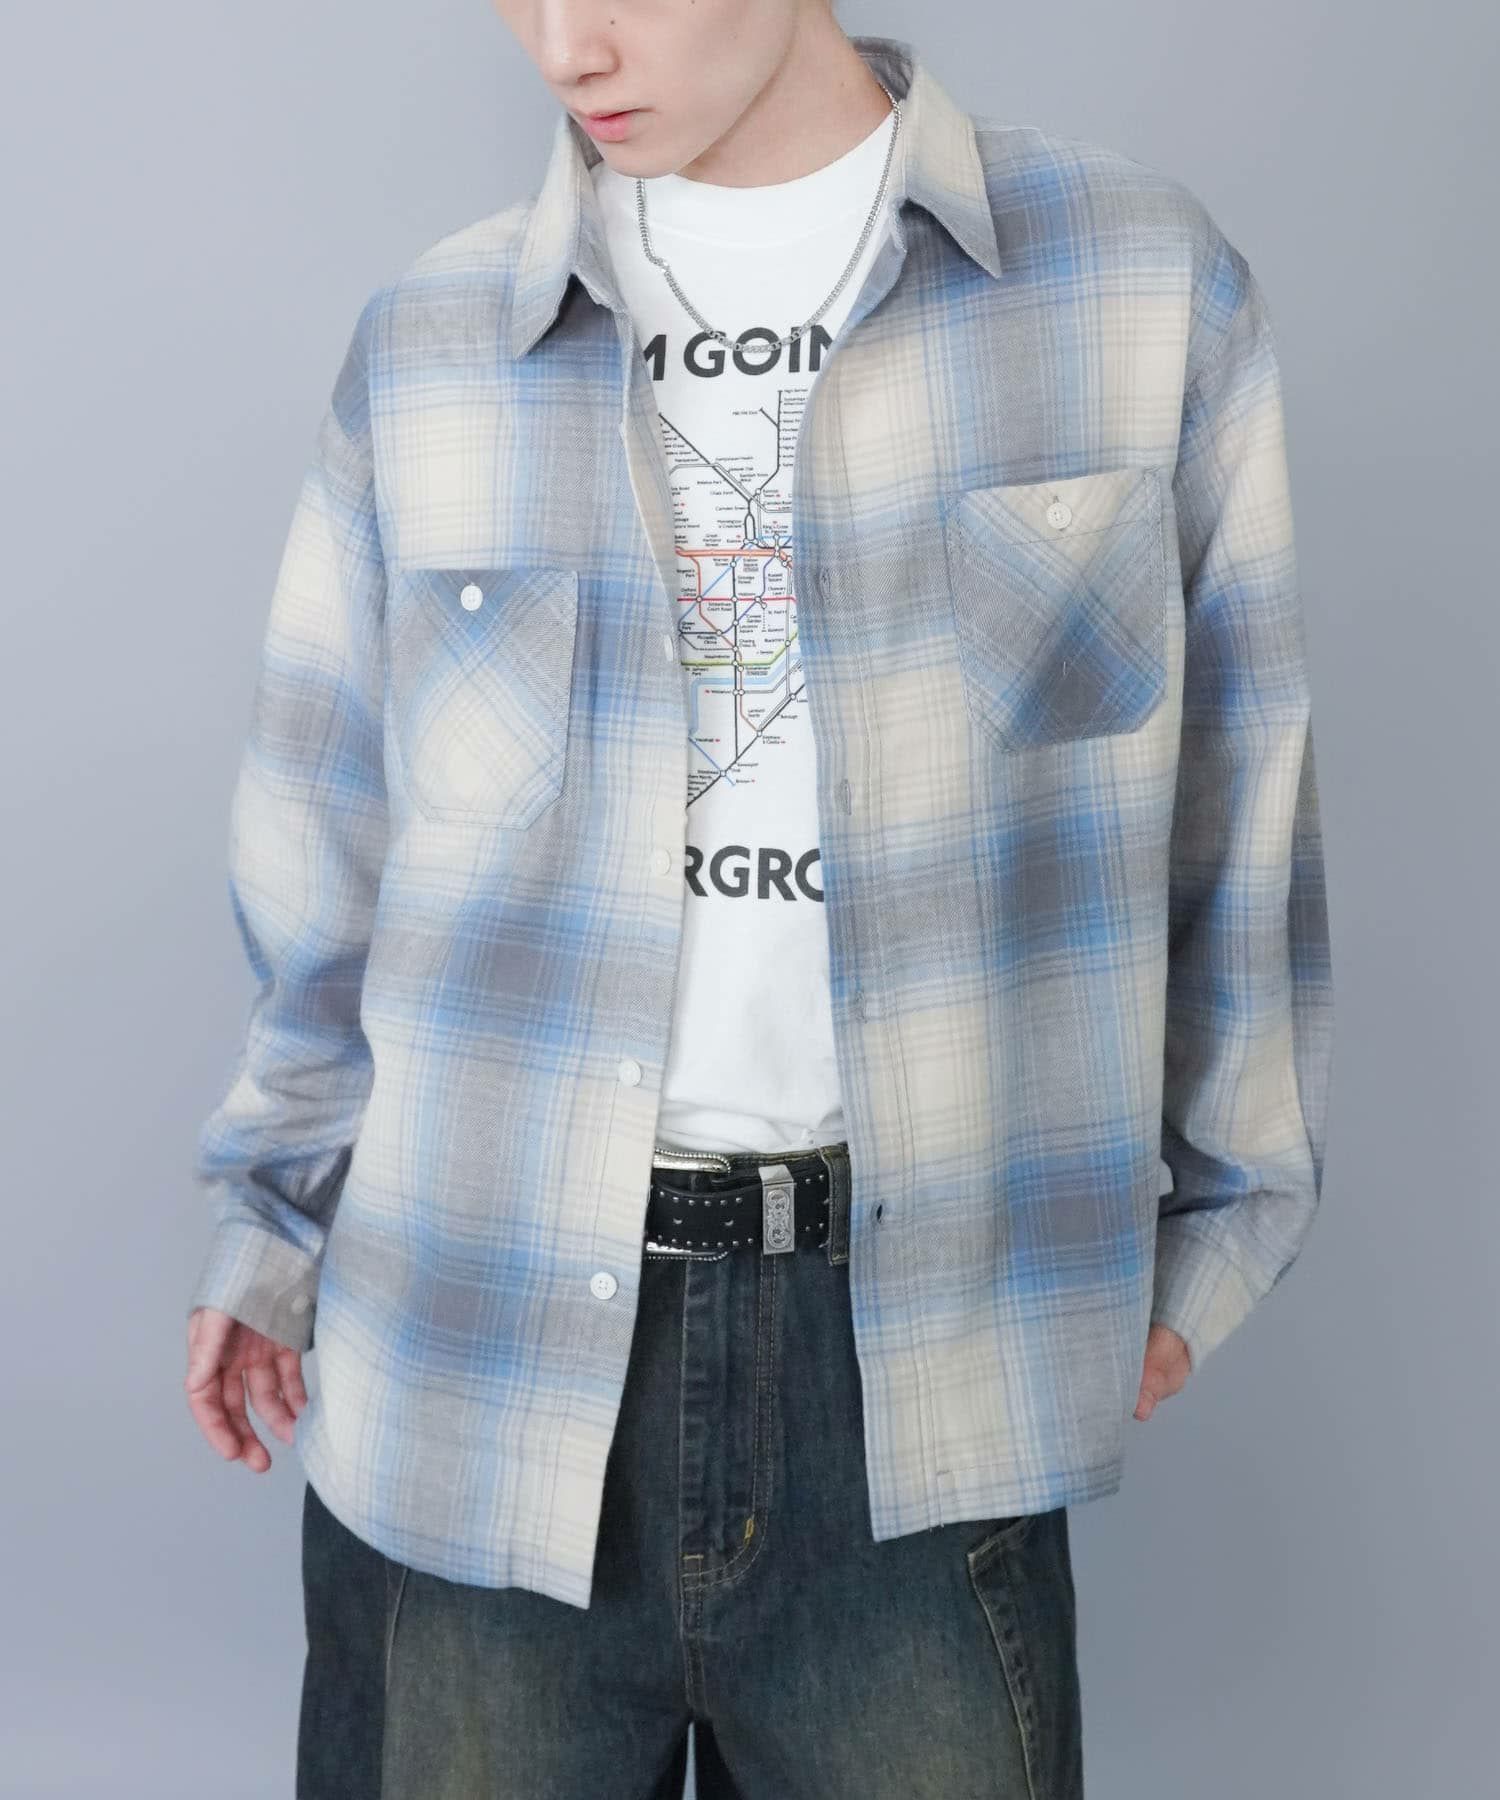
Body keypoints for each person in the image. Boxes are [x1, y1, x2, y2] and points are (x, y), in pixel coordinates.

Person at [183, 6, 1334, 1796]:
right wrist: (273, 1224)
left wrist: (1223, 1222)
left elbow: (1236, 799)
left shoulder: (1132, 288)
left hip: (927, 1368)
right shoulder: (429, 347)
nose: (565, 45)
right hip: (474, 1350)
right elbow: (322, 855)